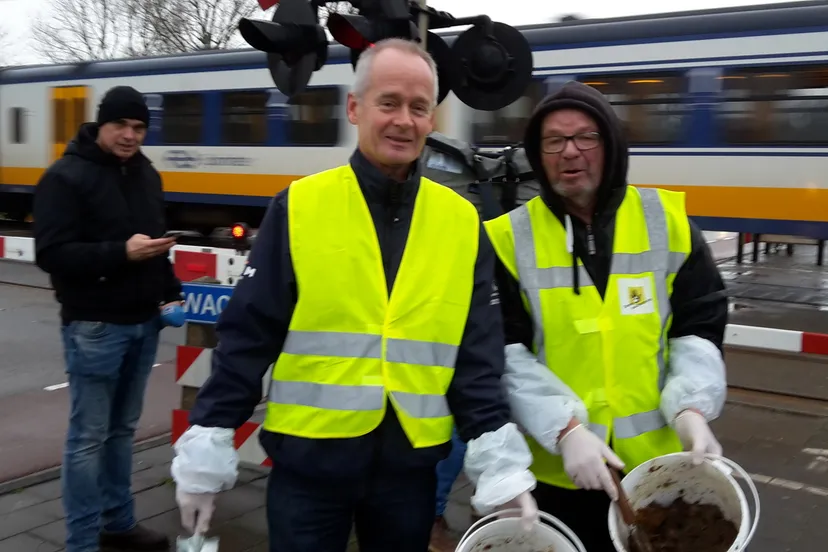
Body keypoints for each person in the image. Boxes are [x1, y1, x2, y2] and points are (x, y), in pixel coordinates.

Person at [169, 38, 538, 552]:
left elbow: (476, 355)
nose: (403, 121)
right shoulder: (300, 207)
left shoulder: (461, 223)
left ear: (433, 120)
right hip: (307, 469)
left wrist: (499, 461)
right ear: (355, 107)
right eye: (388, 103)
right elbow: (249, 336)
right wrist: (208, 442)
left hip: (409, 473)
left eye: (418, 107)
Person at [483, 81, 728, 551]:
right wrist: (566, 430)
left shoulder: (667, 221)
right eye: (553, 141)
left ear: (611, 145)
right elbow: (503, 350)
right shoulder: (507, 239)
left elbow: (698, 325)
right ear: (538, 154)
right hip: (560, 474)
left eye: (585, 137)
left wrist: (692, 407)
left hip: (658, 472)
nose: (569, 152)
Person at [33, 85, 182, 552]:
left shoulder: (146, 174)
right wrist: (122, 253)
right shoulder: (65, 177)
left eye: (139, 128)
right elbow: (52, 254)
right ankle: (81, 542)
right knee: (88, 438)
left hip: (143, 322)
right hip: (95, 326)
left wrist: (170, 291)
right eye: (121, 125)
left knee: (122, 432)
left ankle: (119, 523)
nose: (130, 136)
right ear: (101, 124)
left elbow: (154, 242)